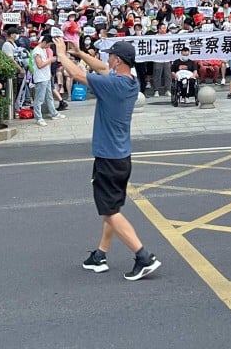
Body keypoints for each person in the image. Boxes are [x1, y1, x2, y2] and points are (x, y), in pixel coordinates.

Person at [52, 38, 162, 282]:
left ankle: (144, 257)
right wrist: (79, 51)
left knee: (110, 211)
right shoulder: (129, 81)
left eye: (110, 55)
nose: (107, 59)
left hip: (109, 158)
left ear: (118, 60)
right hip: (122, 156)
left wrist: (61, 55)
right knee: (111, 209)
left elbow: (79, 76)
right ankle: (100, 256)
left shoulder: (113, 85)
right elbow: (101, 69)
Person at [31, 34, 65, 126]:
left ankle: (54, 113)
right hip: (40, 78)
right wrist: (50, 60)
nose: (48, 47)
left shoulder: (42, 50)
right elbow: (40, 65)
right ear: (45, 42)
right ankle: (38, 117)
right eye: (48, 44)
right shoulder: (37, 51)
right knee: (39, 99)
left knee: (49, 97)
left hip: (46, 77)